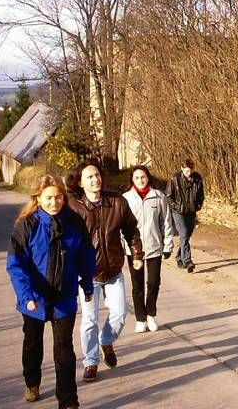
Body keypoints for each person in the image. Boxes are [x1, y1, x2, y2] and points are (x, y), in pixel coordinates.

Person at [7, 174, 96, 408]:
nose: (53, 202)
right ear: (38, 198)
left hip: (64, 296)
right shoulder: (26, 225)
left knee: (64, 349)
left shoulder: (74, 222)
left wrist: (87, 283)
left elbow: (86, 255)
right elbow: (16, 265)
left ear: (64, 198)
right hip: (34, 298)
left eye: (58, 197)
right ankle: (32, 382)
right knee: (32, 343)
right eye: (48, 198)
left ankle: (68, 401)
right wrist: (26, 296)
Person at [69, 161, 144, 383]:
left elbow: (131, 230)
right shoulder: (74, 207)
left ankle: (106, 340)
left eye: (97, 175)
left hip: (113, 271)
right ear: (80, 183)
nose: (95, 180)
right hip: (88, 275)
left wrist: (137, 254)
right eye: (89, 177)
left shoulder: (117, 201)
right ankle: (91, 362)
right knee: (89, 320)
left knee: (120, 313)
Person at [122, 165, 174, 333]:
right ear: (132, 180)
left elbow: (166, 222)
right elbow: (121, 225)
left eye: (143, 177)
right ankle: (140, 318)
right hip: (134, 250)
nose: (140, 180)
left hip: (154, 246)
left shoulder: (158, 197)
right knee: (137, 285)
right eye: (137, 178)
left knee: (153, 283)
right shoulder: (126, 198)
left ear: (148, 177)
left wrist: (167, 244)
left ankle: (151, 314)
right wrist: (123, 245)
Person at [165, 159, 204, 273]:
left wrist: (197, 206)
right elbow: (168, 196)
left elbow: (201, 194)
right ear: (182, 168)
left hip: (191, 212)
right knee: (184, 233)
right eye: (187, 170)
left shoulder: (197, 178)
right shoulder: (175, 179)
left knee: (186, 236)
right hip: (178, 212)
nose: (189, 172)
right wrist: (176, 207)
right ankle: (188, 261)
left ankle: (179, 256)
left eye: (191, 170)